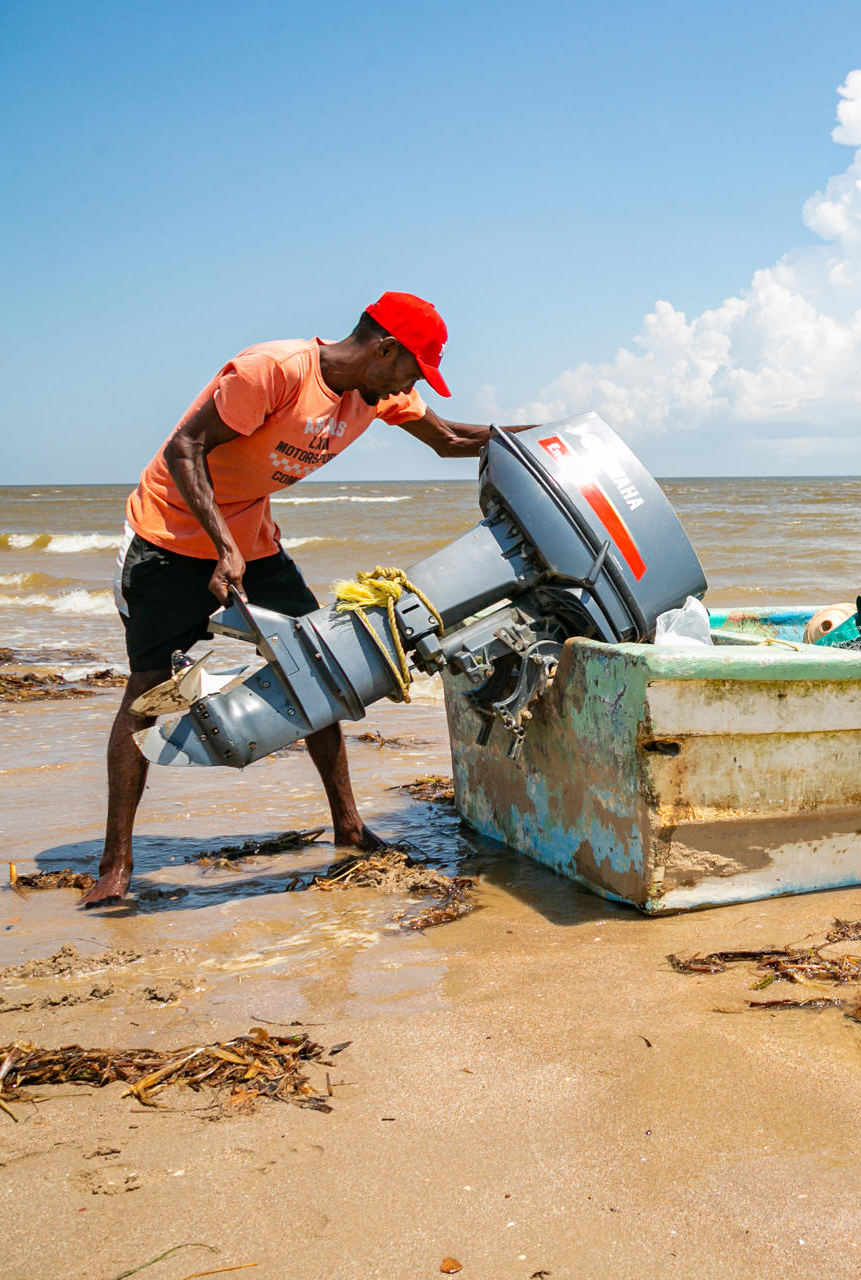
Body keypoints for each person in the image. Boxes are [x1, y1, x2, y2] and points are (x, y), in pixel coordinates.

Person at [81, 292, 533, 908]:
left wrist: (557, 440)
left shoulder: (376, 391)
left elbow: (451, 439)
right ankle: (116, 864)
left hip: (252, 543)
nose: (412, 385)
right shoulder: (273, 370)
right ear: (384, 349)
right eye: (413, 369)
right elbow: (183, 450)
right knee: (148, 691)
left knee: (318, 665)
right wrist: (221, 547)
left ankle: (348, 825)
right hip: (166, 537)